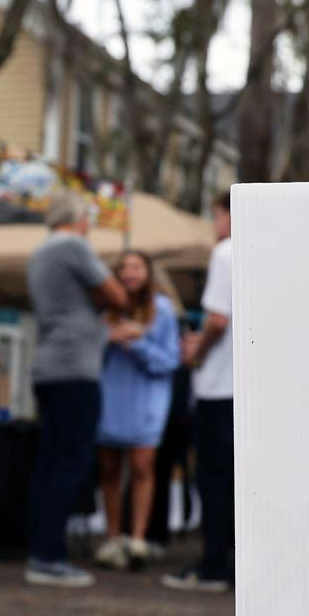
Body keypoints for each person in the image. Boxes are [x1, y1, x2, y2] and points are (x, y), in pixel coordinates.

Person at [24, 190, 127, 587]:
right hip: (75, 368)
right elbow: (116, 294)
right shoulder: (73, 246)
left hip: (48, 365)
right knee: (70, 463)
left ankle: (41, 549)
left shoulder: (39, 253)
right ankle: (50, 557)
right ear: (81, 220)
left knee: (50, 463)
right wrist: (101, 297)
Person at [165, 191, 234, 594]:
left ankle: (213, 563)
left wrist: (196, 351)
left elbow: (218, 320)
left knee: (212, 477)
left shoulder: (226, 252)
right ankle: (233, 560)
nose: (214, 225)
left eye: (215, 216)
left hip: (218, 384)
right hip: (248, 388)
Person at [94, 251, 180, 571]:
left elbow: (169, 360)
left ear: (148, 271)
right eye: (124, 267)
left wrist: (138, 343)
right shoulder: (104, 309)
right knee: (109, 468)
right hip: (111, 394)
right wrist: (109, 338)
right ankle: (113, 536)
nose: (130, 273)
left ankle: (138, 537)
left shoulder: (163, 310)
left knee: (143, 466)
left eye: (137, 267)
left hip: (147, 398)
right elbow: (91, 355)